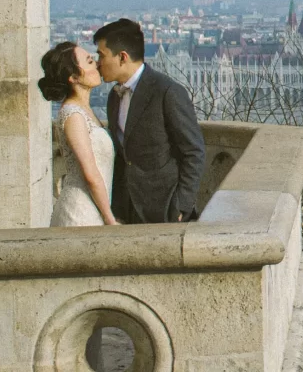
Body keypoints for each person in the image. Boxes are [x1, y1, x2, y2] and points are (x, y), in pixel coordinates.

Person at [92, 18, 207, 224]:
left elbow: (194, 151)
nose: (98, 63)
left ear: (122, 57)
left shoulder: (167, 92)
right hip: (126, 211)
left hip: (165, 210)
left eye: (101, 55)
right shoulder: (113, 97)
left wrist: (181, 205)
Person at [37, 41, 118, 226]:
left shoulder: (84, 110)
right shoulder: (73, 115)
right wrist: (109, 218)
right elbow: (90, 173)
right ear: (73, 77)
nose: (97, 64)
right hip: (80, 213)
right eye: (89, 61)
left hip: (92, 208)